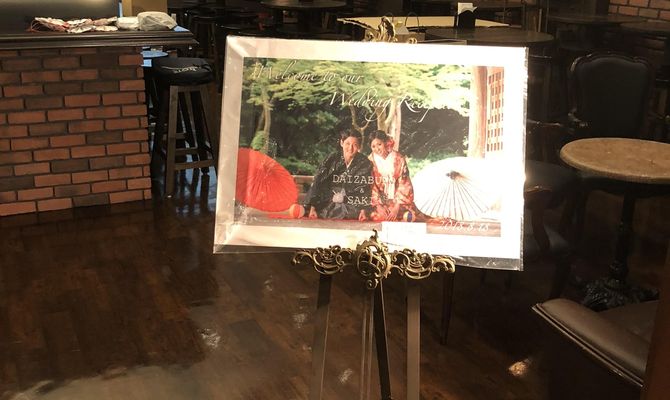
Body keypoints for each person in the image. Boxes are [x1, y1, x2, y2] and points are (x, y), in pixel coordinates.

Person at [304, 130, 373, 221]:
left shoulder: (364, 162)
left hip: (350, 204)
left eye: (355, 145)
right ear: (341, 143)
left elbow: (364, 188)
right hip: (329, 201)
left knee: (352, 211)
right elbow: (319, 182)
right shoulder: (332, 159)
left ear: (359, 146)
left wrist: (363, 211)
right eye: (347, 143)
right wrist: (313, 208)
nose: (350, 148)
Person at [367, 130, 418, 221]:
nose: (377, 149)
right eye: (373, 146)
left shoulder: (398, 158)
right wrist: (378, 205)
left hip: (398, 201)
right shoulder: (370, 161)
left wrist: (397, 206)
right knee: (378, 217)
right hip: (380, 202)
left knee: (408, 216)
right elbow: (370, 186)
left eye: (379, 144)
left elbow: (404, 183)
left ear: (385, 143)